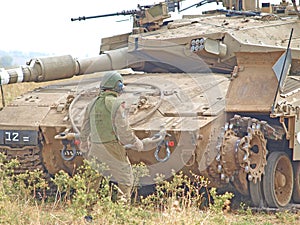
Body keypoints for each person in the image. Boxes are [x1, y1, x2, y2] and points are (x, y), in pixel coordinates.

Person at [79, 71, 144, 202]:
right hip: (113, 146)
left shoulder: (92, 103)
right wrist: (135, 142)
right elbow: (123, 128)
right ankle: (121, 210)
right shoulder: (116, 104)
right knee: (125, 178)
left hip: (95, 146)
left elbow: (85, 127)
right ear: (118, 86)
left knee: (93, 179)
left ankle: (87, 212)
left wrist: (84, 142)